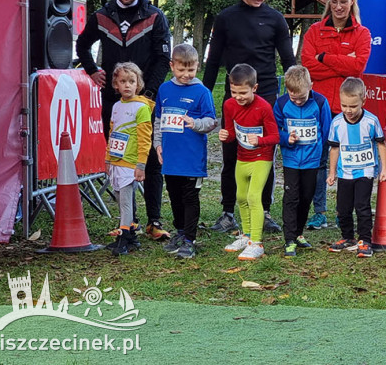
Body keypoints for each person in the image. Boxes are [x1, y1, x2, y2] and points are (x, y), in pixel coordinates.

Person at [76, 0, 171, 242]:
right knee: (120, 159)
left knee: (151, 159)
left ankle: (154, 220)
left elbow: (163, 58)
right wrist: (92, 70)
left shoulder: (155, 16)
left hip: (145, 99)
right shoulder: (102, 15)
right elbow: (82, 44)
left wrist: (148, 94)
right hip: (113, 100)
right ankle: (127, 222)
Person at [203, 0, 296, 235]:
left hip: (265, 95)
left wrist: (296, 93)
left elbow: (288, 61)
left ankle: (264, 211)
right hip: (234, 97)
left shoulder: (276, 19)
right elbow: (213, 60)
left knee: (263, 156)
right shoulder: (225, 18)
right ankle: (228, 212)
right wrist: (203, 94)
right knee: (231, 154)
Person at [300, 0, 371, 231]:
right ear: (328, 2)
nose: (339, 7)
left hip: (349, 109)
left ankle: (349, 211)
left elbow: (358, 67)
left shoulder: (362, 33)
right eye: (334, 2)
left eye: (343, 2)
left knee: (350, 160)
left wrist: (325, 57)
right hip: (320, 106)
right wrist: (342, 60)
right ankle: (319, 211)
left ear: (352, 2)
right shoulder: (314, 31)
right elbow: (309, 67)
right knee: (319, 160)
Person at [153, 44, 217, 260]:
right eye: (181, 70)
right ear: (172, 66)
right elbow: (159, 121)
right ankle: (180, 231)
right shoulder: (164, 90)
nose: (186, 75)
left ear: (197, 66)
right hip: (171, 157)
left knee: (190, 197)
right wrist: (158, 145)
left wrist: (196, 123)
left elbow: (211, 121)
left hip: (191, 159)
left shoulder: (202, 92)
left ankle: (190, 239)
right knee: (174, 195)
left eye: (191, 70)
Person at [219, 64, 280, 262]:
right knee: (241, 196)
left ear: (254, 88)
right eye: (234, 92)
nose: (238, 97)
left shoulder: (263, 107)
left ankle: (257, 242)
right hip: (242, 157)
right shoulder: (229, 105)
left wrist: (259, 140)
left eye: (243, 92)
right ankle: (246, 236)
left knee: (254, 197)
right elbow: (230, 134)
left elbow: (275, 136)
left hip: (262, 158)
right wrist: (225, 135)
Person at [326, 77, 386, 258]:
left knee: (362, 206)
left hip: (365, 171)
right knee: (343, 208)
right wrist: (331, 173)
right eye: (344, 105)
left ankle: (365, 240)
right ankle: (347, 237)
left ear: (363, 101)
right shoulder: (337, 122)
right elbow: (334, 148)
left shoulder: (371, 121)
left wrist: (384, 169)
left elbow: (381, 144)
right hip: (345, 172)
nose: (348, 110)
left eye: (353, 106)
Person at [274, 66, 332, 258]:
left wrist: (318, 150)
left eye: (302, 97)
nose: (298, 102)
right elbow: (274, 129)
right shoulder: (281, 103)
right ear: (287, 91)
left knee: (306, 196)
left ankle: (298, 233)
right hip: (291, 160)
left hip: (312, 160)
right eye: (293, 98)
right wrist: (285, 138)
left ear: (311, 87)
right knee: (291, 198)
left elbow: (326, 130)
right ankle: (289, 239)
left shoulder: (321, 103)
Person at [105, 62, 152, 256]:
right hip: (116, 160)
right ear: (116, 84)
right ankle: (130, 234)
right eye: (123, 81)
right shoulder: (116, 106)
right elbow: (112, 132)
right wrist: (108, 158)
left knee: (125, 200)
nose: (127, 85)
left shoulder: (141, 108)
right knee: (118, 196)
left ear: (138, 83)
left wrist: (141, 164)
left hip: (130, 162)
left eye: (131, 81)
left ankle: (123, 237)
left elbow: (145, 138)